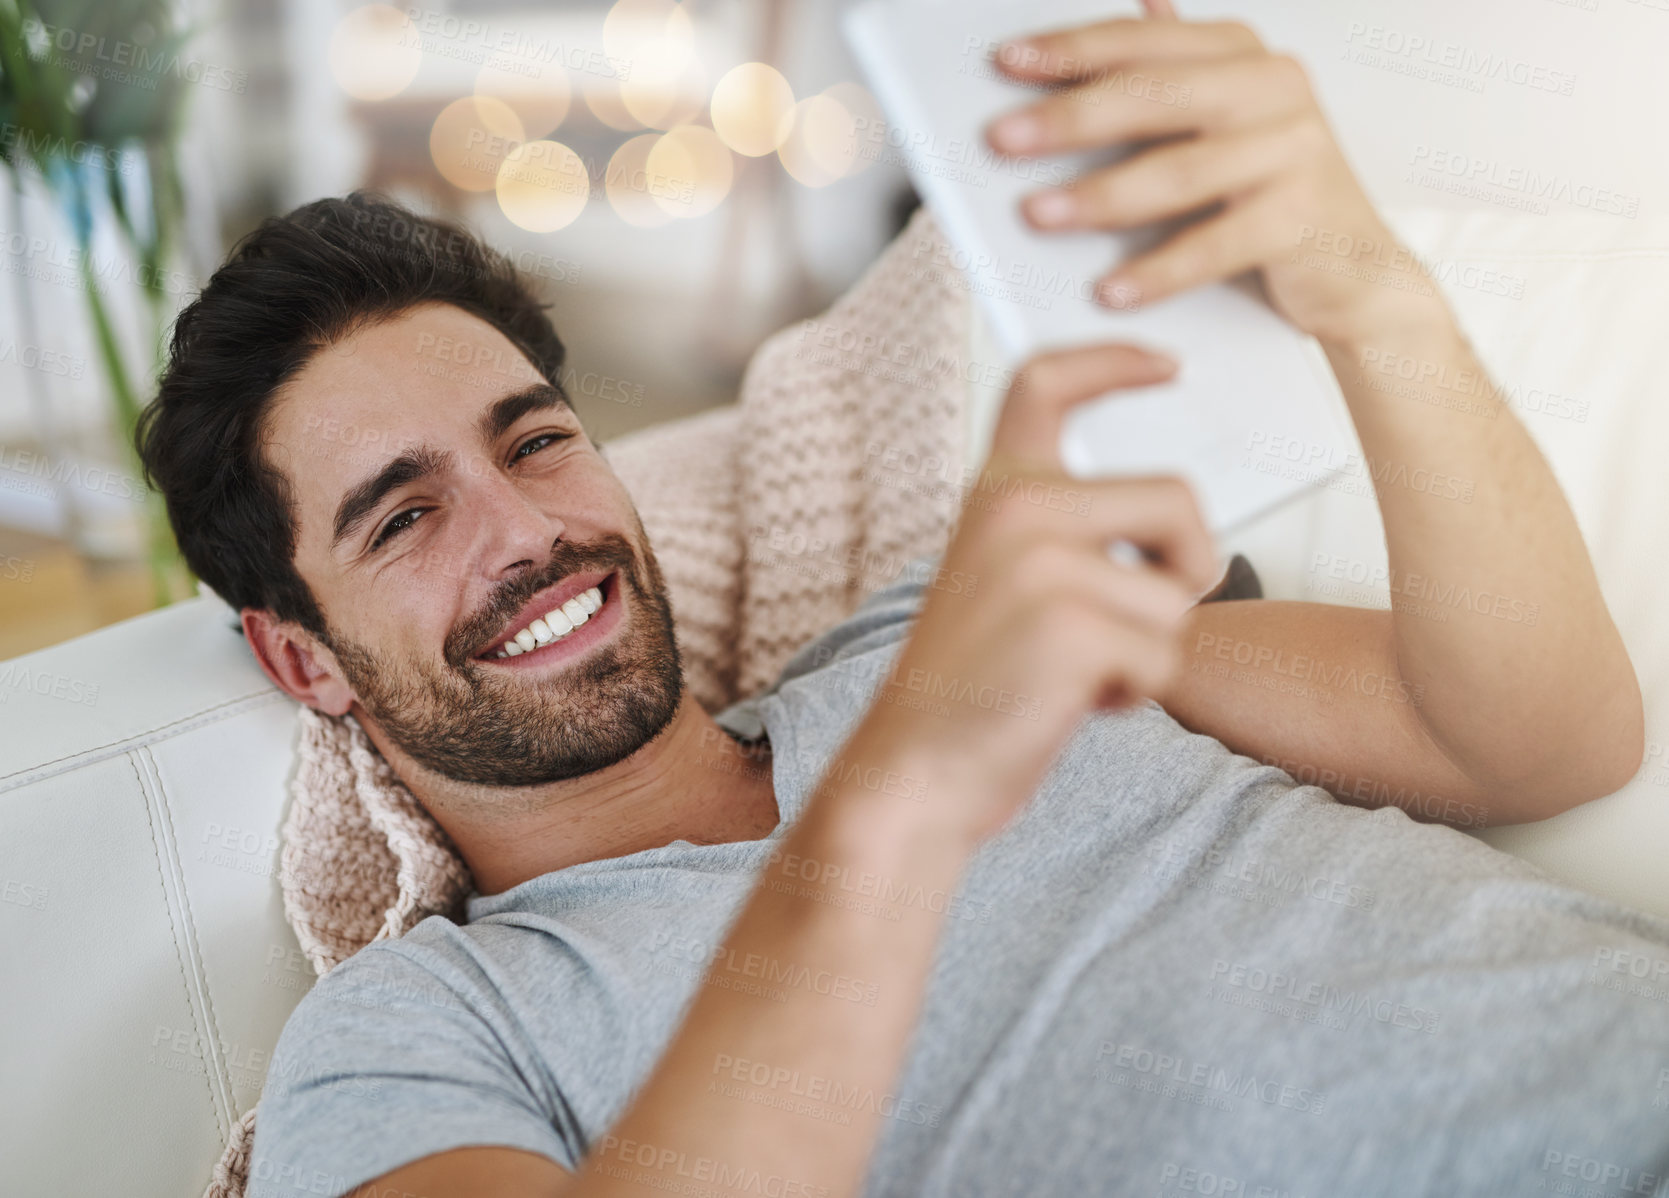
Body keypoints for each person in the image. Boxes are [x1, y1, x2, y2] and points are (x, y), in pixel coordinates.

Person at [135, 10, 1667, 1198]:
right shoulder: (417, 1031)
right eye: (404, 515)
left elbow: (1542, 742)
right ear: (303, 657)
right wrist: (899, 803)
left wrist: (1366, 289)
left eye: (536, 438)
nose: (529, 529)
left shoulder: (944, 629)